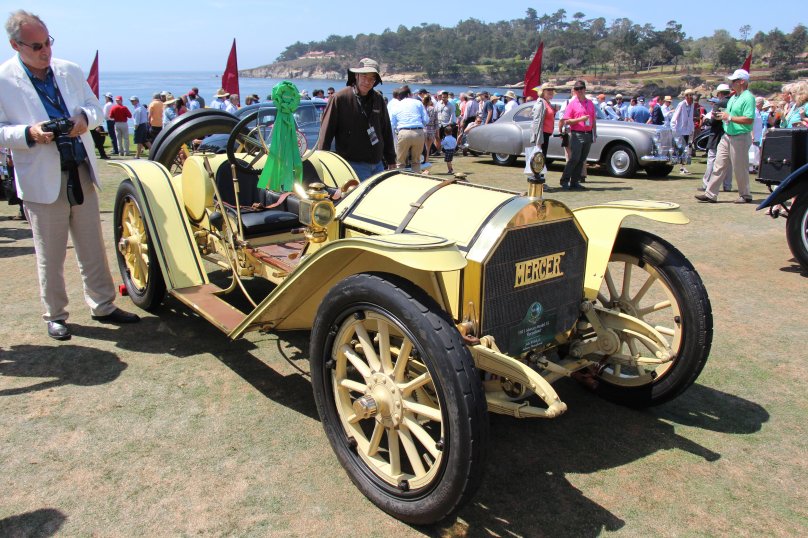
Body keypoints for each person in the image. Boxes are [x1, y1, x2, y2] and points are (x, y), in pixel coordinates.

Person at [0, 10, 139, 340]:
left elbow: (94, 109)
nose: (45, 50)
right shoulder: (3, 79)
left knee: (92, 246)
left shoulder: (69, 70)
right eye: (36, 46)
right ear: (15, 45)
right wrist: (28, 133)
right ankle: (56, 314)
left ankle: (103, 304)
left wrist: (83, 121)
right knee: (50, 254)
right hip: (40, 177)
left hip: (79, 167)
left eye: (47, 41)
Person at [317, 58, 395, 181]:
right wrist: (323, 164)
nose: (367, 82)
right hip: (352, 165)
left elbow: (386, 131)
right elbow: (326, 132)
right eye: (364, 76)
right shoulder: (339, 98)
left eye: (372, 78)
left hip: (378, 164)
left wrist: (391, 159)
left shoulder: (378, 99)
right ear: (357, 76)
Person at [696, 69, 756, 204]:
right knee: (719, 164)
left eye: (734, 81)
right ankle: (711, 194)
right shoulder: (734, 97)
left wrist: (729, 117)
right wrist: (721, 116)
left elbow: (749, 119)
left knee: (740, 167)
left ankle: (745, 194)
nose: (731, 83)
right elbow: (729, 115)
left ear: (742, 82)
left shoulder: (748, 97)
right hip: (728, 134)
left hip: (740, 135)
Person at [558, 80, 596, 190]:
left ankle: (575, 181)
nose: (579, 91)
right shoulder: (572, 104)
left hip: (588, 134)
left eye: (581, 88)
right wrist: (580, 119)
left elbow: (593, 120)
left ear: (584, 89)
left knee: (582, 159)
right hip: (577, 133)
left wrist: (594, 134)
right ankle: (564, 180)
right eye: (576, 89)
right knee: (574, 158)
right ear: (574, 91)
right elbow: (566, 121)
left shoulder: (590, 103)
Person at [700, 84, 733, 192]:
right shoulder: (734, 102)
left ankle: (706, 184)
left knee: (712, 159)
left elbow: (714, 121)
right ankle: (727, 185)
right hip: (730, 133)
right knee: (728, 161)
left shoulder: (719, 103)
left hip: (717, 134)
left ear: (719, 93)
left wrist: (705, 120)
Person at [390, 85, 428, 174]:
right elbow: (426, 120)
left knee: (400, 162)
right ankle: (416, 180)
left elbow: (393, 123)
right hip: (418, 132)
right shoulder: (418, 103)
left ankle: (401, 181)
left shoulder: (396, 105)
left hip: (403, 132)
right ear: (409, 94)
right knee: (416, 161)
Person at [528, 83, 556, 180]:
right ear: (543, 92)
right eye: (548, 90)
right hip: (542, 134)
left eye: (551, 90)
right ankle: (537, 179)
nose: (550, 91)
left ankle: (540, 179)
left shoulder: (547, 103)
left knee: (542, 157)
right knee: (539, 157)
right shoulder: (541, 103)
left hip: (546, 133)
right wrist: (537, 139)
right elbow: (537, 121)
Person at [670, 89, 695, 174]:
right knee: (681, 149)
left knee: (686, 149)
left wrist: (692, 129)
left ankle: (682, 167)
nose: (691, 97)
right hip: (680, 130)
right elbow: (674, 118)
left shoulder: (692, 105)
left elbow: (690, 118)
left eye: (692, 95)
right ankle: (681, 167)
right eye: (689, 95)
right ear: (686, 96)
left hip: (687, 130)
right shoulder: (681, 104)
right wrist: (674, 130)